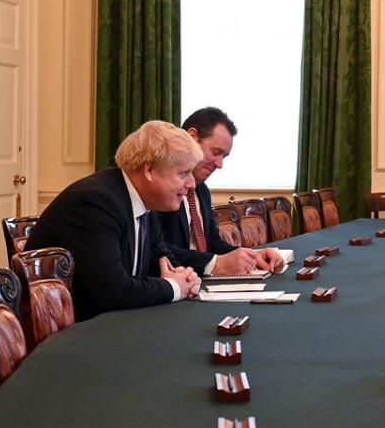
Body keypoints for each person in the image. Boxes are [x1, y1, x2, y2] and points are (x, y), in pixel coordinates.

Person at [25, 121, 204, 320]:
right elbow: (113, 291)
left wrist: (184, 276)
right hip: (77, 335)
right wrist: (175, 287)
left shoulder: (145, 201)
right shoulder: (95, 202)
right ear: (149, 170)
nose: (191, 184)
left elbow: (160, 257)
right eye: (183, 173)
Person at [156, 107, 284, 275]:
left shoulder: (202, 191)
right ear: (192, 137)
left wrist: (251, 256)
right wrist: (214, 263)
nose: (219, 164)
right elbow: (157, 248)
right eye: (216, 152)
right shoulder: (162, 186)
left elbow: (212, 243)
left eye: (224, 157)